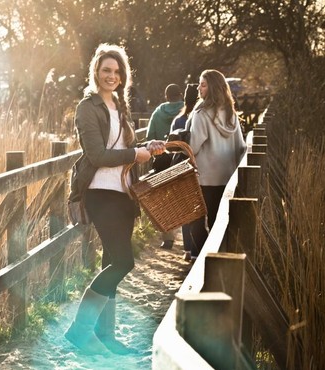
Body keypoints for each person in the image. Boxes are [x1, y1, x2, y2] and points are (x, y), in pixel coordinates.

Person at [65, 43, 165, 355]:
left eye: (117, 71)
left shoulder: (120, 107)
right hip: (99, 193)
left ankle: (105, 335)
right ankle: (79, 331)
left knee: (112, 261)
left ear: (122, 76)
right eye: (106, 69)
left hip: (123, 194)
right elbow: (97, 154)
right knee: (124, 261)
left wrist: (149, 145)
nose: (112, 75)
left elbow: (124, 147)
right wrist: (135, 153)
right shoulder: (87, 108)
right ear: (96, 71)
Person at [186, 70, 246, 259]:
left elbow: (193, 147)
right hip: (227, 177)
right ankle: (218, 260)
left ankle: (206, 259)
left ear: (211, 87)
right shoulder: (231, 114)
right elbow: (242, 146)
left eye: (203, 84)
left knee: (195, 222)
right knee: (218, 222)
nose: (198, 88)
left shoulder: (201, 114)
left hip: (205, 177)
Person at [146, 84, 184, 250]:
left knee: (163, 198)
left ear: (166, 96)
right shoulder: (187, 110)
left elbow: (149, 137)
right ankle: (189, 238)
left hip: (162, 159)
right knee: (183, 194)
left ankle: (167, 237)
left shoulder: (158, 113)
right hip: (181, 159)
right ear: (180, 94)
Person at [170, 83, 199, 261]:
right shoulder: (201, 117)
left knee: (185, 206)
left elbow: (172, 144)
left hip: (180, 165)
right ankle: (196, 249)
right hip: (197, 166)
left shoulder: (179, 120)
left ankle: (188, 248)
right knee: (198, 208)